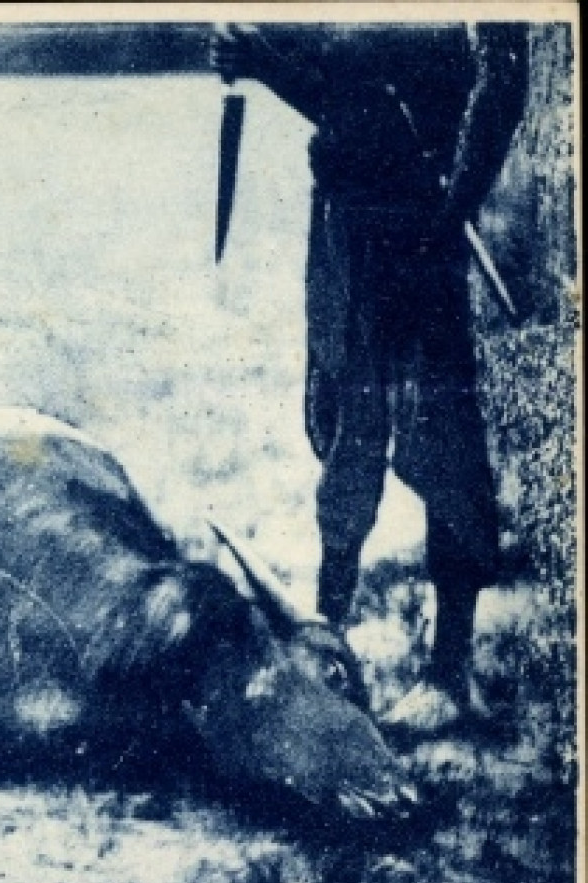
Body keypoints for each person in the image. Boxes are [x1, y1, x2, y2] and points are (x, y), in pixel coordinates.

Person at [210, 23, 530, 729]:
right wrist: (261, 64)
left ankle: (449, 675)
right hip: (346, 233)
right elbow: (348, 100)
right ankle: (327, 650)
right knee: (346, 436)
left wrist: (447, 222)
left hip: (432, 232)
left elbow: (500, 84)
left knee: (444, 444)